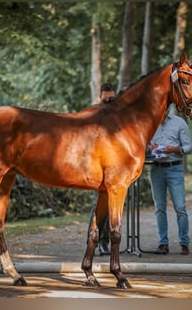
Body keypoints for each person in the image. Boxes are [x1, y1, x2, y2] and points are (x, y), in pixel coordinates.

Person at [147, 108, 192, 255]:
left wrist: (174, 149)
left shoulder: (179, 123)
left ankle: (184, 243)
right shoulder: (149, 124)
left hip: (175, 168)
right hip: (156, 169)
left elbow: (189, 147)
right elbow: (141, 146)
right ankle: (163, 243)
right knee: (159, 207)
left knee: (180, 207)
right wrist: (150, 148)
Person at [88, 83, 116, 255]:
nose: (108, 100)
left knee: (113, 207)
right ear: (100, 97)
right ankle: (95, 239)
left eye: (111, 98)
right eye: (106, 97)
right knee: (99, 205)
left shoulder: (118, 117)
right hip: (96, 167)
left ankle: (105, 242)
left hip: (114, 167)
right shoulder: (93, 115)